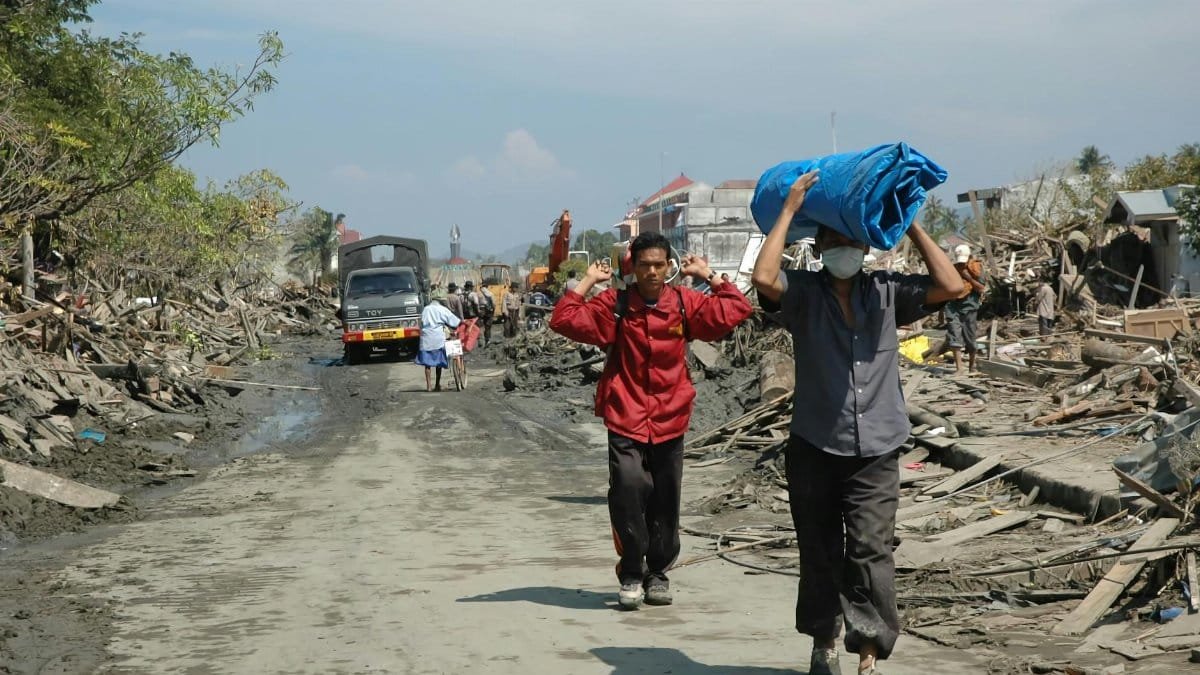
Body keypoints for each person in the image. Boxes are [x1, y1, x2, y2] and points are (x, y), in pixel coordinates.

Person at [751, 172, 964, 675]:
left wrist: (907, 222)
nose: (842, 249)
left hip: (878, 449)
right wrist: (788, 211)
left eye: (851, 241)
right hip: (815, 446)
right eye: (833, 241)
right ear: (819, 247)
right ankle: (823, 642)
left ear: (866, 248)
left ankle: (868, 651)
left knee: (872, 550)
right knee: (820, 550)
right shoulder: (802, 293)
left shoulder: (888, 292)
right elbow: (763, 279)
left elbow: (952, 285)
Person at [549, 232, 753, 611]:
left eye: (660, 265)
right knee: (627, 489)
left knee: (665, 498)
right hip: (625, 414)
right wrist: (589, 282)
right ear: (633, 267)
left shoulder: (684, 304)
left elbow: (735, 309)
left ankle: (657, 572)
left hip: (670, 416)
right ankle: (630, 572)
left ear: (670, 267)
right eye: (645, 265)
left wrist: (711, 276)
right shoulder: (616, 305)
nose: (653, 272)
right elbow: (563, 319)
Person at [945, 244, 986, 374]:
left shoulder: (976, 268)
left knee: (970, 337)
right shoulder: (952, 269)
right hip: (953, 306)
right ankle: (959, 368)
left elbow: (981, 288)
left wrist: (967, 277)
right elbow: (946, 288)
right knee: (954, 336)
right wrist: (941, 309)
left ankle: (972, 366)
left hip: (969, 307)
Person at [415, 299, 461, 392]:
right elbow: (454, 321)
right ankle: (437, 385)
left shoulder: (426, 309)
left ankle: (428, 386)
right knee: (438, 362)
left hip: (426, 336)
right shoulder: (442, 309)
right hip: (437, 336)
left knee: (427, 364)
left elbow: (421, 322)